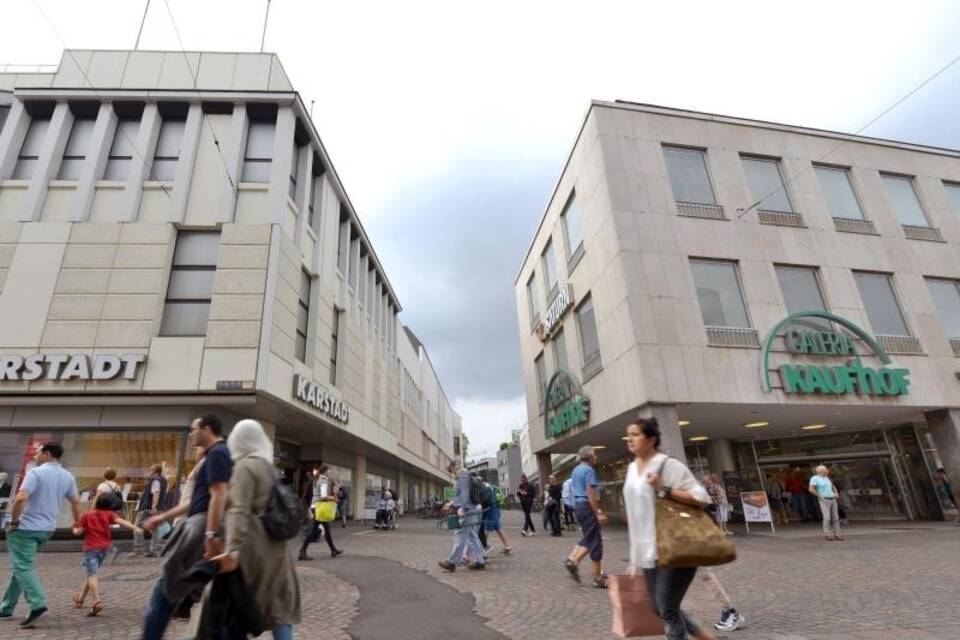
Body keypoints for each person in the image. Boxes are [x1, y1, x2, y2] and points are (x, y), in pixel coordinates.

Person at [140, 414, 233, 640]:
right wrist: (163, 517)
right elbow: (197, 499)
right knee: (206, 592)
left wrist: (211, 535)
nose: (191, 434)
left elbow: (218, 495)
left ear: (207, 429)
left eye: (193, 430)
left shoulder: (218, 454)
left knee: (165, 590)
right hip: (201, 524)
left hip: (200, 528)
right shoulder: (216, 455)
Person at [622, 418, 715, 640]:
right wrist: (634, 557)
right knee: (658, 606)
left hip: (674, 546)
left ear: (651, 439)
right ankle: (707, 637)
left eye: (635, 434)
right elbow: (636, 515)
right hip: (647, 550)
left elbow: (702, 498)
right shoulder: (631, 468)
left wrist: (663, 488)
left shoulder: (668, 465)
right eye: (628, 435)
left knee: (667, 607)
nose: (630, 439)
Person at [211, 419, 301, 640]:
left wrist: (231, 549)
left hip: (253, 546)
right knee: (280, 605)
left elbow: (239, 511)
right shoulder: (268, 467)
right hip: (277, 546)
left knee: (243, 605)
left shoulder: (243, 467)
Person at [1, 442, 81, 629]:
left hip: (25, 528)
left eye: (37, 452)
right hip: (46, 529)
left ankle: (37, 604)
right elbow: (76, 502)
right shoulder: (67, 476)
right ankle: (6, 607)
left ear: (47, 453)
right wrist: (77, 524)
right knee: (21, 566)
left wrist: (13, 522)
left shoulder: (36, 473)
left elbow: (21, 498)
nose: (35, 455)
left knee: (23, 565)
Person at [72, 493, 143, 617]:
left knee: (92, 575)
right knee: (91, 574)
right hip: (104, 549)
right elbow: (121, 521)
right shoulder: (109, 514)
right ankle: (80, 598)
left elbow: (78, 532)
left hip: (91, 548)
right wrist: (135, 528)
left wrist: (73, 528)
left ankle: (96, 601)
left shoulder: (87, 516)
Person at [563, 446, 608, 589]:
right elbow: (591, 493)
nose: (596, 458)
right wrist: (598, 511)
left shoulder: (576, 470)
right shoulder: (589, 471)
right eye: (595, 455)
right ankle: (596, 577)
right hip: (587, 505)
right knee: (595, 541)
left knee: (589, 537)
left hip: (578, 505)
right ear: (589, 457)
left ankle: (573, 559)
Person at [437, 460, 485, 572]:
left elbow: (465, 495)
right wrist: (451, 503)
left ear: (454, 468)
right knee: (472, 536)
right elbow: (462, 495)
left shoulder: (462, 476)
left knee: (460, 534)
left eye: (451, 471)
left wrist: (464, 508)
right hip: (473, 508)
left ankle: (451, 562)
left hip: (467, 509)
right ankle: (480, 561)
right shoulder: (467, 475)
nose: (452, 474)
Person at [299, 465, 343, 559]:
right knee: (314, 531)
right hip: (319, 507)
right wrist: (333, 498)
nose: (330, 472)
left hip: (317, 507)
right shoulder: (323, 480)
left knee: (326, 529)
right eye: (329, 470)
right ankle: (302, 551)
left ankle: (333, 550)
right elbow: (323, 496)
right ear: (325, 471)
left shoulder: (318, 479)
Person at [134, 464, 169, 558]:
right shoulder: (164, 480)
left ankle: (139, 549)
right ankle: (154, 550)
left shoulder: (156, 480)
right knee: (155, 529)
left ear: (155, 471)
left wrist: (153, 506)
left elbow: (156, 493)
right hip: (159, 507)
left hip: (149, 508)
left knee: (138, 527)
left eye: (150, 470)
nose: (149, 471)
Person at [809, 465, 842, 541]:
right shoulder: (815, 478)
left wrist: (836, 493)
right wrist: (820, 496)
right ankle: (828, 534)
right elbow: (811, 489)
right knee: (827, 517)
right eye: (826, 470)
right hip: (824, 499)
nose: (827, 471)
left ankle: (837, 534)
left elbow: (832, 486)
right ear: (821, 471)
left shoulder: (827, 478)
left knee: (835, 517)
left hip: (832, 499)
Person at [482, 480, 512, 555]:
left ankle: (484, 547)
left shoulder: (484, 487)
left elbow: (487, 501)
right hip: (496, 509)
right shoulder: (490, 486)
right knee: (499, 528)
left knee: (486, 529)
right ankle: (507, 546)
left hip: (491, 510)